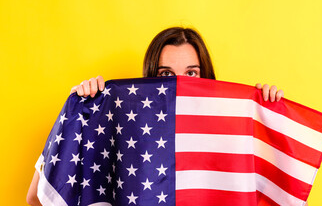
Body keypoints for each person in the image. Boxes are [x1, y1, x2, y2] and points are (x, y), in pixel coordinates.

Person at [26, 27, 284, 205]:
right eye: (165, 74)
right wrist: (77, 117)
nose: (179, 84)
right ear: (150, 78)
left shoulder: (231, 130)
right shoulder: (122, 127)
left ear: (206, 76)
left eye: (191, 73)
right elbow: (36, 196)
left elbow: (276, 195)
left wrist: (264, 116)